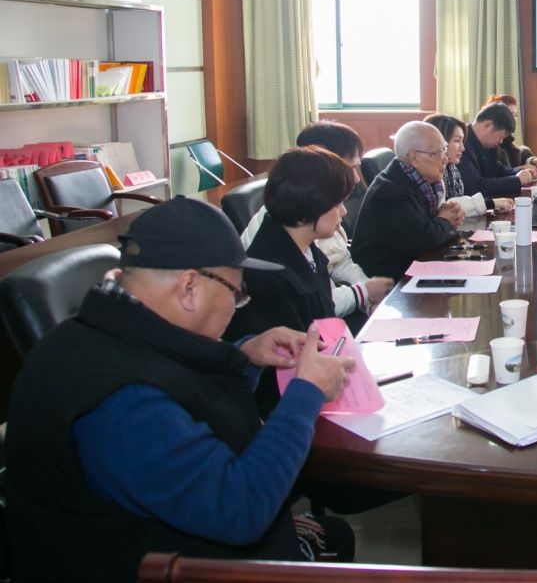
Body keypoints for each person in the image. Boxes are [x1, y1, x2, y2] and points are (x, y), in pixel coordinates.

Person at [4, 196, 355, 583]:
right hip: (147, 564)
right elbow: (239, 511)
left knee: (335, 535)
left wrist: (245, 356)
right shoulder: (117, 403)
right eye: (236, 293)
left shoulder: (114, 328)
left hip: (166, 536)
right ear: (189, 287)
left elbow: (178, 388)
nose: (236, 306)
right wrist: (305, 393)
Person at [226, 146, 357, 411]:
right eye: (337, 203)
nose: (343, 212)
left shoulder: (308, 252)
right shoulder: (268, 276)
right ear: (312, 203)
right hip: (289, 408)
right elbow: (279, 379)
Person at [242, 120, 394, 329]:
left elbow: (340, 264)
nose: (356, 179)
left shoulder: (308, 240)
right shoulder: (278, 258)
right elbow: (323, 305)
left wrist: (371, 300)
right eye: (350, 167)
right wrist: (365, 292)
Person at [351, 121, 465, 278]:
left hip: (412, 266)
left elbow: (430, 230)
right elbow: (423, 241)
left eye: (444, 150)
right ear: (414, 157)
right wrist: (445, 220)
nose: (445, 159)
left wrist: (448, 218)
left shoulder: (422, 183)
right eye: (439, 152)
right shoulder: (389, 192)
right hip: (388, 280)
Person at [425, 112, 513, 214]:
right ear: (439, 141)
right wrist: (491, 203)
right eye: (457, 141)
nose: (463, 148)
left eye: (462, 141)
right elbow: (445, 207)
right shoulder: (430, 174)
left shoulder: (452, 169)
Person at [457, 102, 537, 202]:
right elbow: (475, 187)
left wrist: (519, 172)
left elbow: (498, 168)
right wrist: (517, 180)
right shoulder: (461, 144)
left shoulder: (488, 144)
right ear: (488, 125)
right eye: (501, 136)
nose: (501, 141)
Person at [484, 93, 537, 170]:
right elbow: (498, 172)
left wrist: (534, 161)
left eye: (516, 115)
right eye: (510, 115)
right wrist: (520, 169)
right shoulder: (488, 144)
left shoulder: (508, 140)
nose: (514, 119)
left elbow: (520, 154)